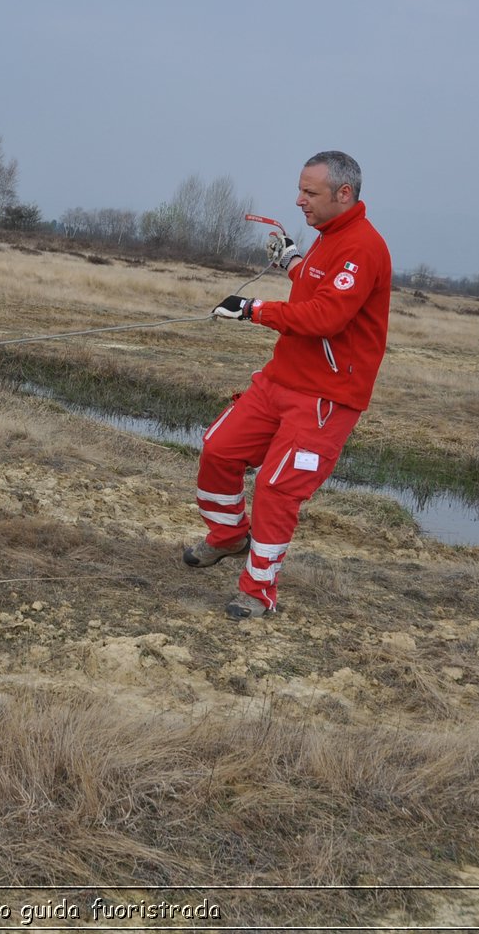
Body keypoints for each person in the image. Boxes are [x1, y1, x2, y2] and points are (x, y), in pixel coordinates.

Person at [186, 151, 391, 620]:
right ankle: (228, 536)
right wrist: (293, 260)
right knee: (219, 449)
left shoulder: (363, 246)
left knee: (278, 490)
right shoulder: (326, 238)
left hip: (325, 398)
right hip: (279, 379)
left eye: (309, 192)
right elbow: (316, 283)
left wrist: (253, 309)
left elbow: (328, 315)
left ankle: (258, 593)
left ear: (344, 193)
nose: (298, 200)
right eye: (299, 190)